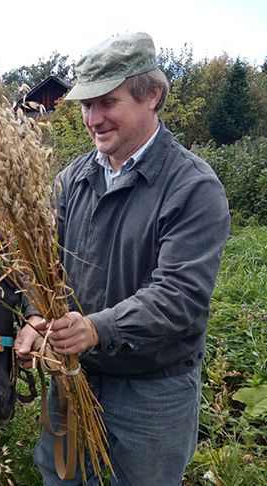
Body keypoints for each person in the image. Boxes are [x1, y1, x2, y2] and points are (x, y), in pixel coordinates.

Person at [14, 32, 230, 485]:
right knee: (62, 479)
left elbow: (179, 296)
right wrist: (36, 314)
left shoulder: (192, 187)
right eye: (85, 106)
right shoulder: (73, 178)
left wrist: (96, 328)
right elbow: (41, 263)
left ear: (151, 96)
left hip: (152, 392)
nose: (93, 119)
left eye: (106, 102)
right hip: (74, 379)